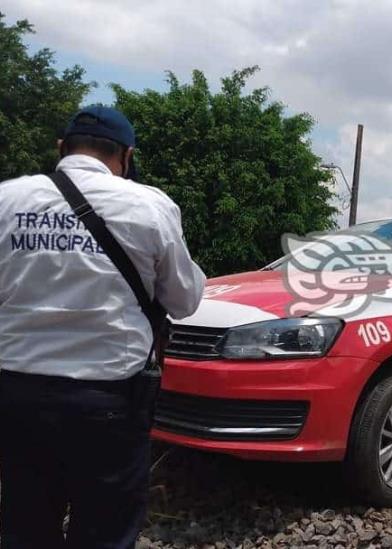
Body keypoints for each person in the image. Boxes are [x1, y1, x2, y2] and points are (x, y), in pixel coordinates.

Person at [0, 106, 206, 548]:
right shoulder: (149, 205)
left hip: (16, 393)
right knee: (105, 531)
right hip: (109, 397)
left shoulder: (7, 199)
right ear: (126, 156)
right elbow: (185, 301)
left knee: (24, 522)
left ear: (61, 149)